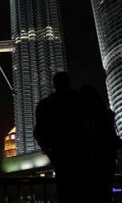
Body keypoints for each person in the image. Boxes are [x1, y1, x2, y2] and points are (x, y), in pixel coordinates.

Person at [34, 71, 90, 203]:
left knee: (64, 191)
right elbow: (87, 125)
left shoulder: (45, 104)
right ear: (69, 82)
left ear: (54, 84)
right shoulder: (78, 100)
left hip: (59, 155)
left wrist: (49, 152)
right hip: (81, 154)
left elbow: (37, 133)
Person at [79, 85, 122, 203]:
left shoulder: (82, 116)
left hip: (89, 163)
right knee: (104, 191)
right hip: (107, 160)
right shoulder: (107, 114)